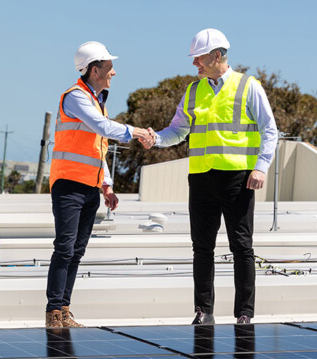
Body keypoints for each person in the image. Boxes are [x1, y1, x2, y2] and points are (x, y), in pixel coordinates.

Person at [141, 29, 278, 324]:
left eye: (198, 58)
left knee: (241, 245)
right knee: (201, 247)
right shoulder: (193, 91)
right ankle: (203, 311)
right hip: (201, 178)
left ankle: (244, 313)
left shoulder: (248, 86)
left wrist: (261, 167)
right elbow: (177, 130)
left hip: (238, 178)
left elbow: (270, 130)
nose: (195, 65)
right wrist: (156, 139)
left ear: (216, 56)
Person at [46, 41, 153, 328]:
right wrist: (137, 131)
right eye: (109, 67)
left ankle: (64, 310)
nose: (113, 72)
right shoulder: (75, 97)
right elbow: (104, 128)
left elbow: (97, 147)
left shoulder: (96, 101)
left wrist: (107, 185)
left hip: (90, 187)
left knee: (77, 251)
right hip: (68, 186)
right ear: (95, 69)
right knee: (65, 248)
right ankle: (54, 312)